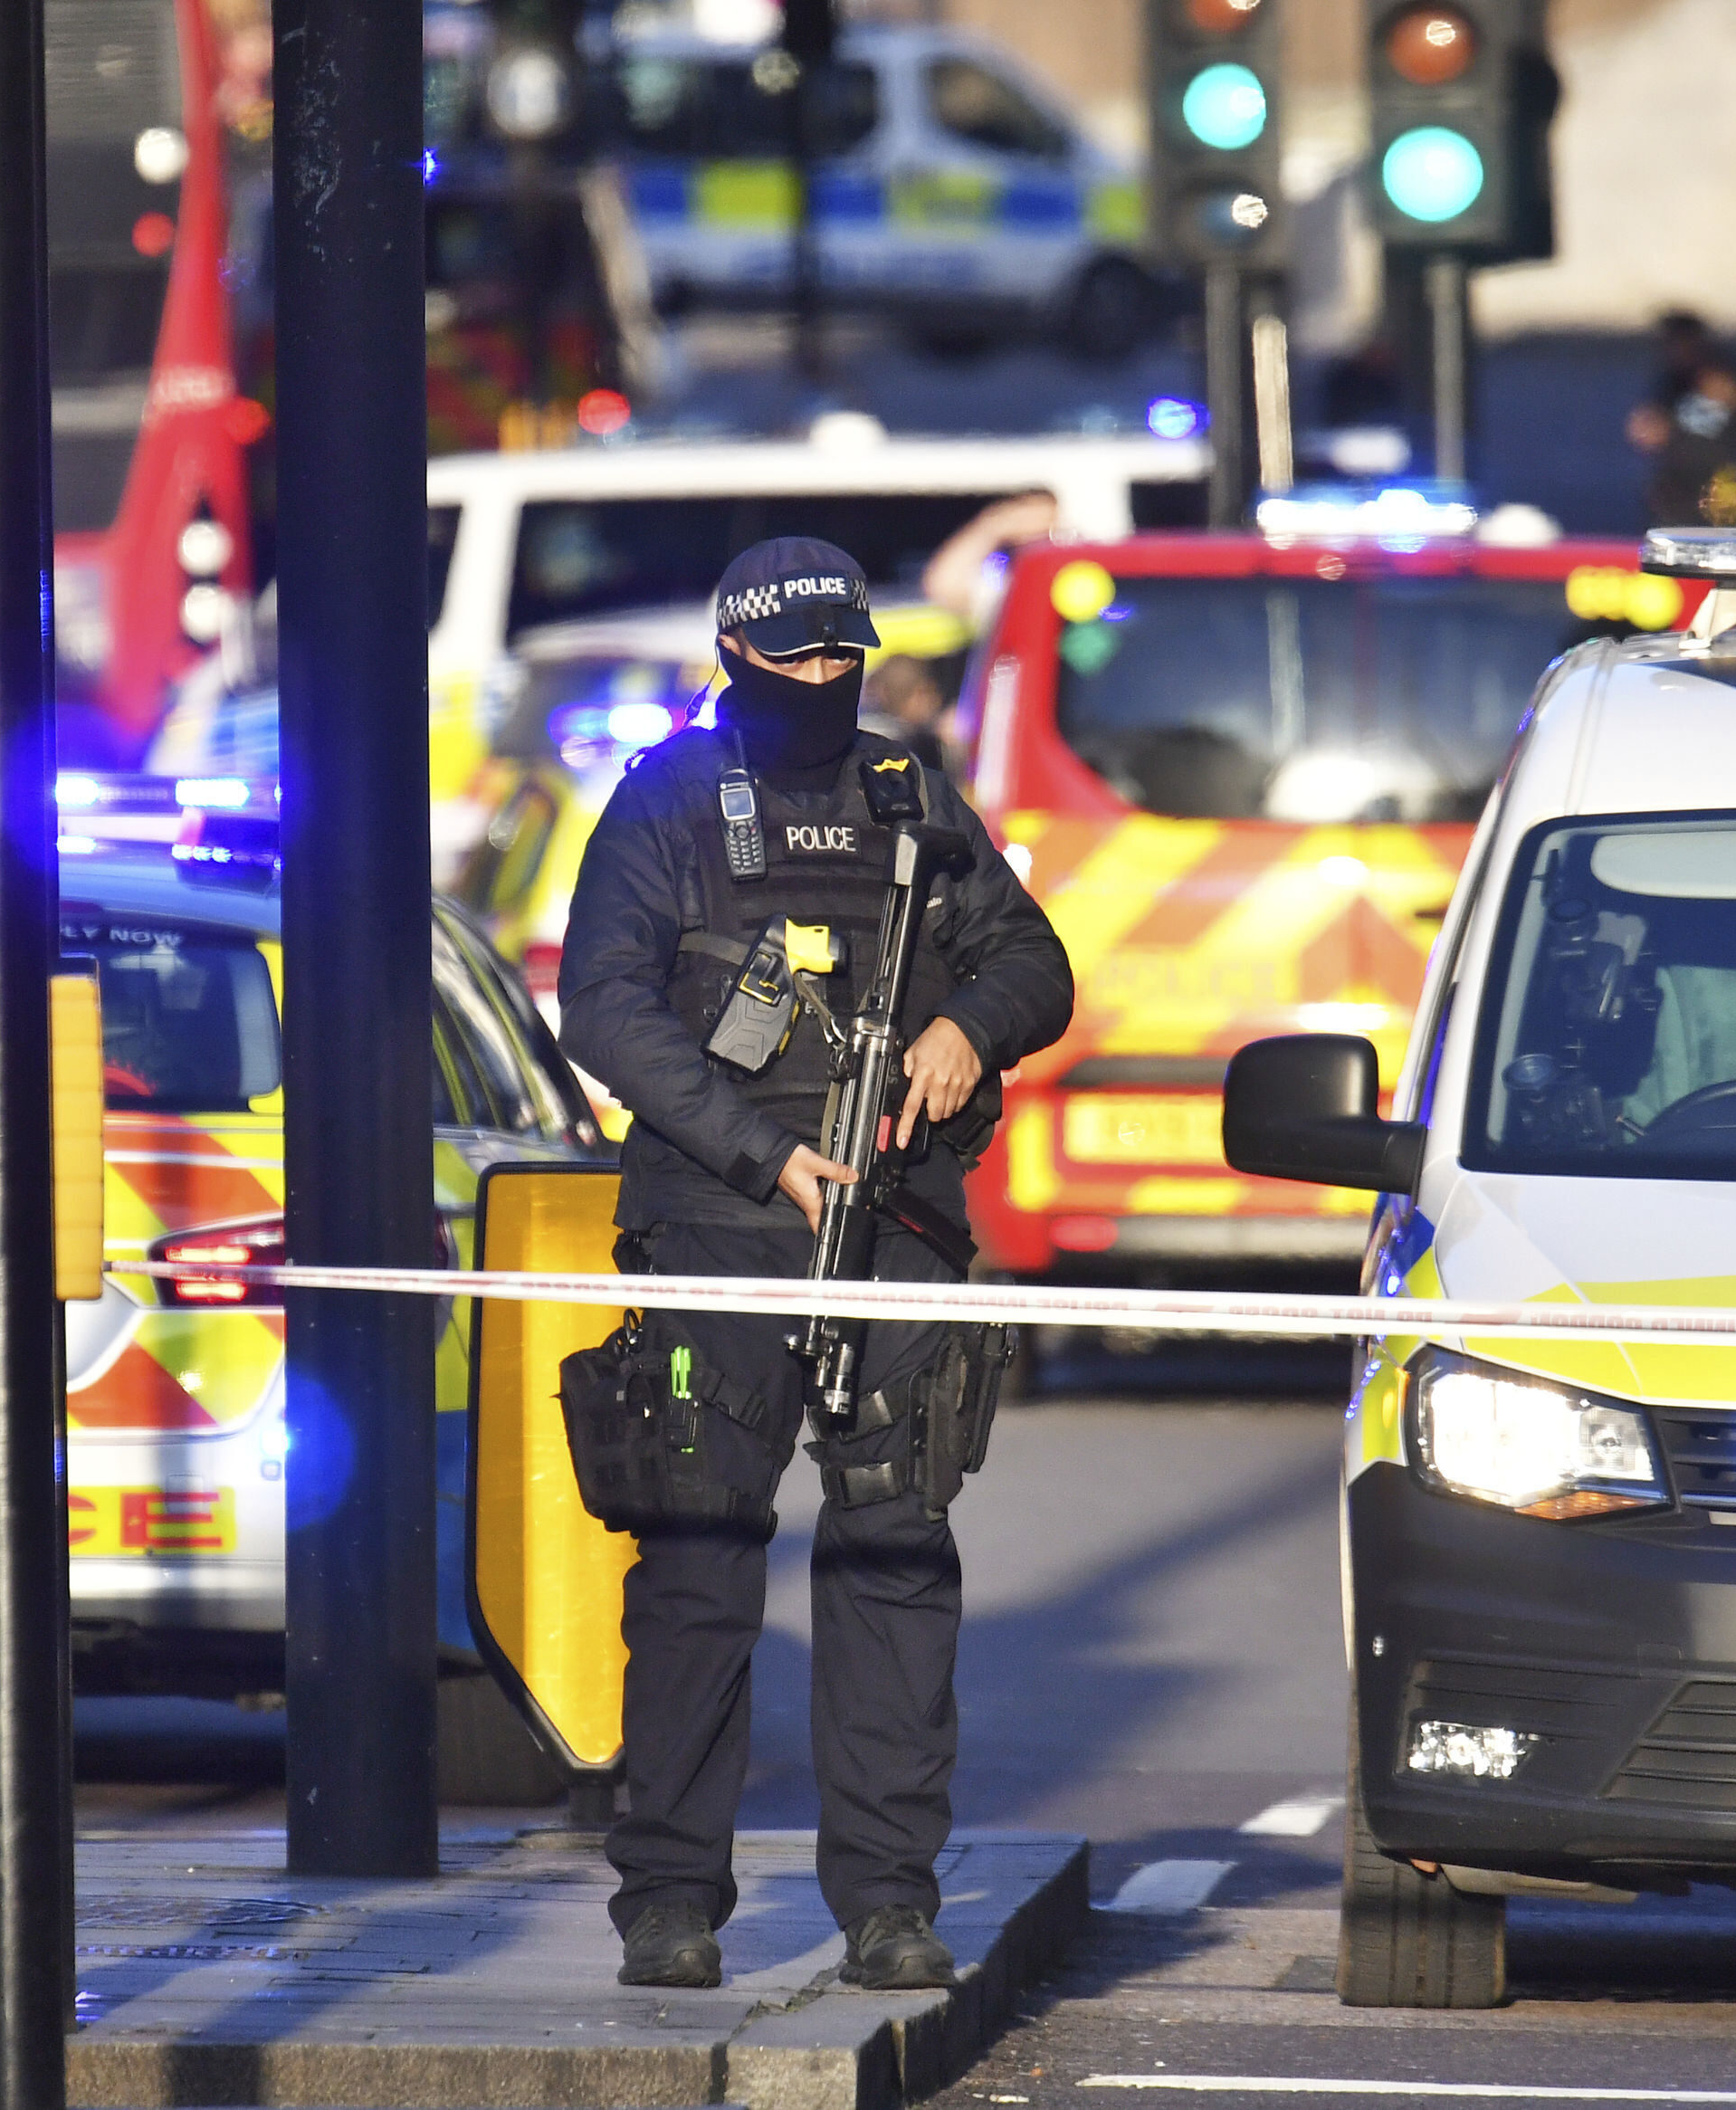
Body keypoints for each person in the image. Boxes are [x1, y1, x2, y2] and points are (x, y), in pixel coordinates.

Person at [558, 537, 1074, 1995]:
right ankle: (669, 1900)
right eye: (793, 662)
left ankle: (891, 1901)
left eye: (844, 657)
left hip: (894, 1231)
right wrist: (753, 1148)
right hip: (720, 1233)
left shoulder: (911, 795)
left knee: (897, 1554)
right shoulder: (667, 799)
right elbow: (602, 1000)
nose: (823, 682)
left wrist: (970, 1023)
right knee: (700, 1567)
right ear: (736, 658)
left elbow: (1036, 960)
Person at [1626, 310, 1736, 528]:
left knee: (1722, 541)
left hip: (1719, 481)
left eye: (1679, 342)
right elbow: (1650, 427)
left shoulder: (1724, 375)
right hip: (1678, 484)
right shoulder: (1671, 381)